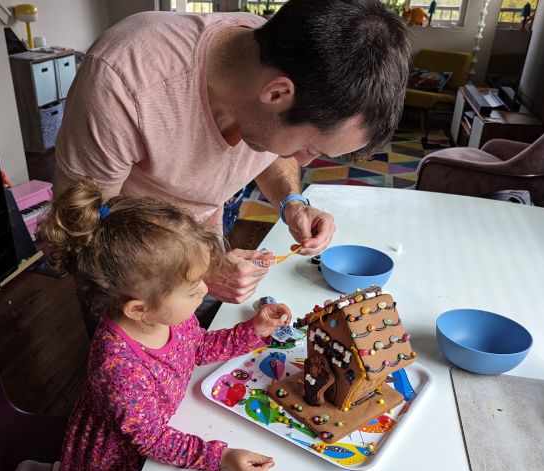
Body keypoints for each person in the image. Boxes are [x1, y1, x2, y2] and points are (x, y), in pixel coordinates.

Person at [0, 181, 290, 471]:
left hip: (132, 437)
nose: (204, 292)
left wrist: (254, 330)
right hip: (112, 459)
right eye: (193, 290)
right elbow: (151, 439)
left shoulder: (168, 318)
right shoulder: (118, 365)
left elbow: (196, 348)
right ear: (138, 309)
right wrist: (218, 457)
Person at [53, 0, 410, 331]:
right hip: (136, 283)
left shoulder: (277, 60)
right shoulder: (124, 79)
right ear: (276, 94)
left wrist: (291, 203)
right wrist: (198, 270)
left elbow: (272, 148)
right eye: (309, 146)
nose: (303, 161)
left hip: (200, 253)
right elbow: (83, 236)